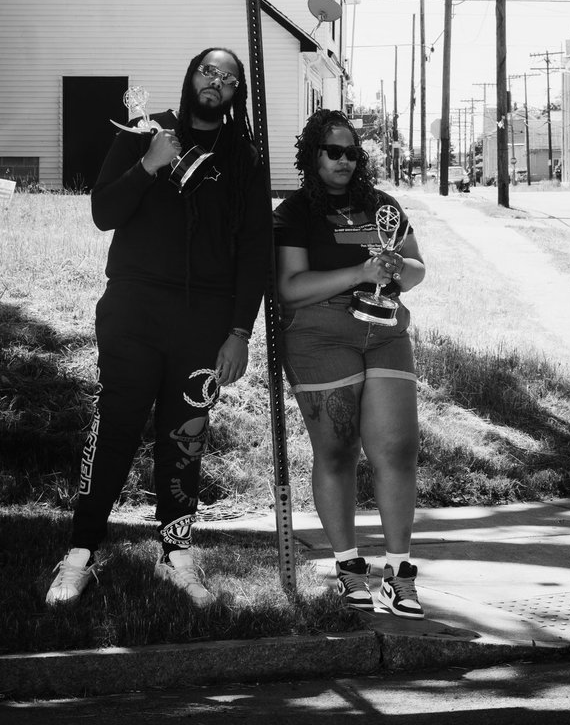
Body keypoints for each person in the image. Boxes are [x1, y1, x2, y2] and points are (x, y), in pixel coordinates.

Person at [46, 48, 268, 608]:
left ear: (237, 92)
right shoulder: (142, 131)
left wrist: (240, 332)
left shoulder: (244, 156)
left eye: (227, 78)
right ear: (189, 76)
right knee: (115, 426)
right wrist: (149, 163)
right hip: (133, 309)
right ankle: (81, 551)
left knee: (185, 438)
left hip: (204, 320)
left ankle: (175, 554)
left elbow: (254, 253)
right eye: (206, 72)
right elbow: (103, 212)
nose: (214, 83)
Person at [274, 109, 427, 618]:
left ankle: (399, 574)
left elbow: (417, 264)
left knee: (397, 450)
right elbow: (291, 289)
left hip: (384, 331)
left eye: (352, 153)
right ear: (312, 154)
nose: (344, 161)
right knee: (337, 451)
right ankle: (348, 567)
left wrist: (396, 269)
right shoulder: (295, 212)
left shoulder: (380, 205)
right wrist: (360, 270)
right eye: (333, 151)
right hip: (319, 333)